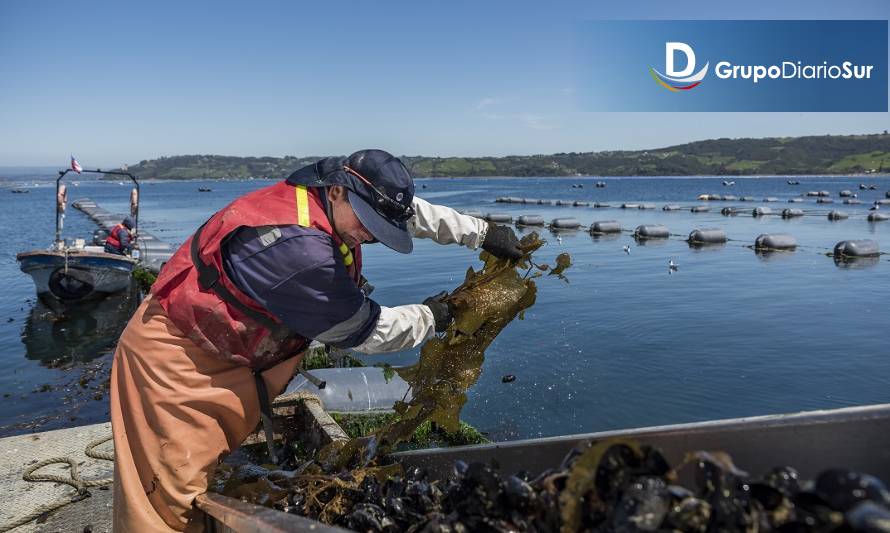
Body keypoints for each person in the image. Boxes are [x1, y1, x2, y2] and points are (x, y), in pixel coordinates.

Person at [109, 149, 521, 532]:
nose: (369, 235)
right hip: (177, 360)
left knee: (204, 465)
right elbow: (363, 331)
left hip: (236, 353)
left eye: (379, 229)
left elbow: (403, 211)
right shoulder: (298, 251)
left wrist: (480, 233)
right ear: (339, 190)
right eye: (366, 224)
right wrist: (433, 317)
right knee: (167, 495)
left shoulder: (330, 192)